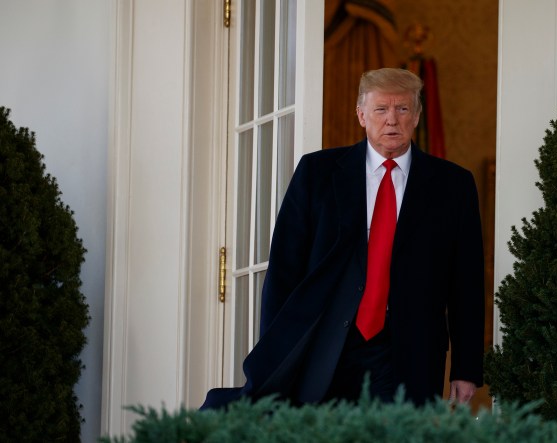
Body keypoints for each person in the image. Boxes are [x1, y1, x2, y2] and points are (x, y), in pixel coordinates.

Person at [201, 67, 484, 409]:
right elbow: (284, 270)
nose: (392, 120)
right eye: (381, 109)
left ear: (418, 116)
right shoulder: (316, 173)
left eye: (403, 109)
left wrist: (466, 367)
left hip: (409, 350)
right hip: (325, 342)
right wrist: (277, 351)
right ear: (361, 115)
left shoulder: (453, 185)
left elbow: (466, 283)